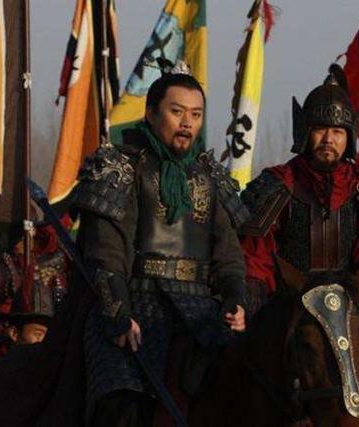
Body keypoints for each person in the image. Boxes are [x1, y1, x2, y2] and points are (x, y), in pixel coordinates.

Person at [75, 59, 250, 426]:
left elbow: (229, 257)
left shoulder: (210, 176)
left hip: (201, 312)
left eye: (196, 114)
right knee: (122, 405)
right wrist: (118, 314)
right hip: (136, 305)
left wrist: (235, 299)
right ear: (152, 114)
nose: (187, 123)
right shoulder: (121, 167)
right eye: (177, 111)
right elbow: (107, 254)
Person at [240, 64, 359, 313]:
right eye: (320, 129)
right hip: (287, 310)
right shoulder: (278, 183)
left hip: (350, 310)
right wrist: (251, 308)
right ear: (306, 132)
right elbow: (256, 260)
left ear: (349, 137)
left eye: (337, 131)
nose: (329, 139)